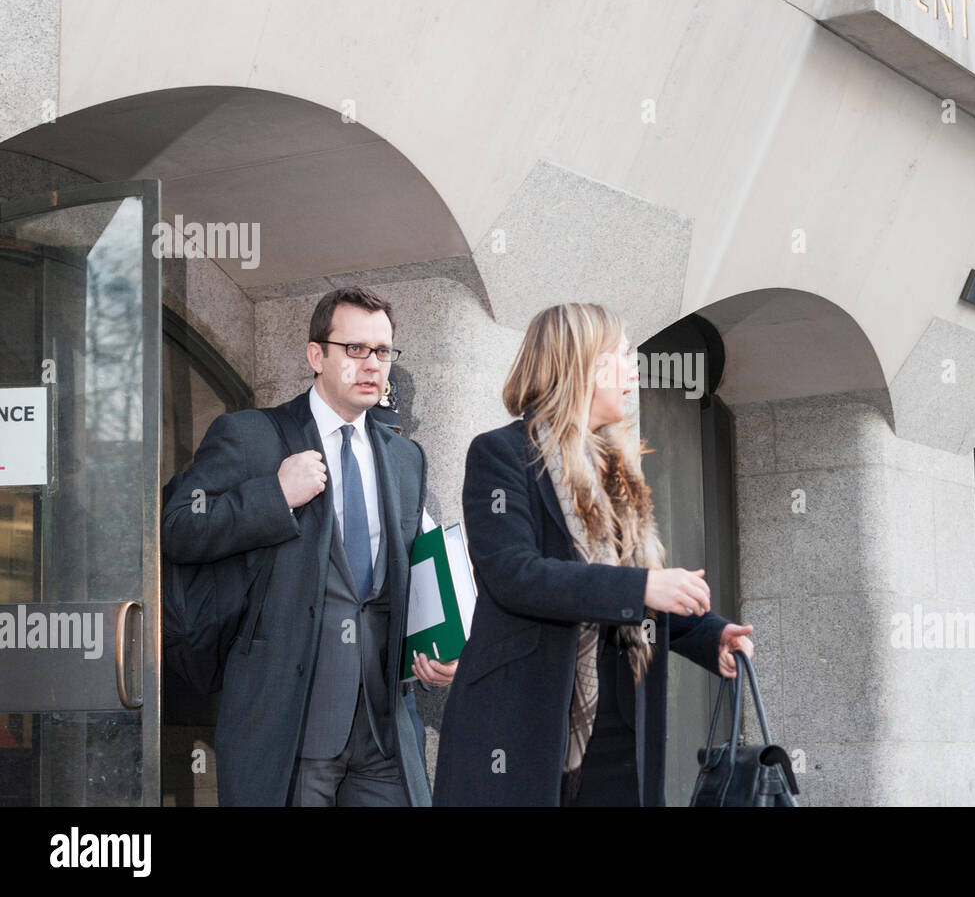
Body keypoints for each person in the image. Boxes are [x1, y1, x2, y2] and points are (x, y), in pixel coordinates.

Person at [428, 302, 754, 806]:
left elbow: (642, 591)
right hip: (524, 723)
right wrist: (642, 587)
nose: (634, 371)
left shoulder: (618, 470)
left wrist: (711, 636)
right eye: (623, 356)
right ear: (583, 364)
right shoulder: (501, 455)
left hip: (620, 724)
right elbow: (515, 575)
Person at [162, 285, 456, 806]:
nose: (372, 365)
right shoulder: (250, 436)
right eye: (356, 349)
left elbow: (406, 576)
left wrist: (439, 648)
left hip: (384, 730)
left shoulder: (406, 458)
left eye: (383, 351)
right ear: (316, 355)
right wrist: (274, 495)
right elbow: (179, 526)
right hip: (289, 727)